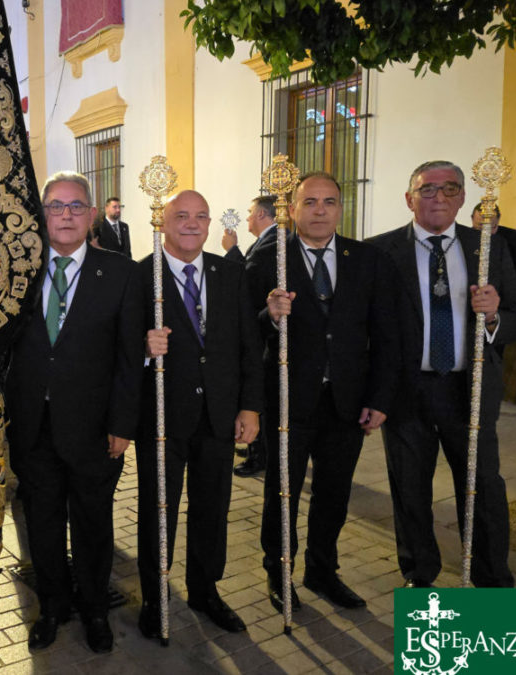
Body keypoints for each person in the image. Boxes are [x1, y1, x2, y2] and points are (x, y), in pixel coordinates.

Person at [368, 160, 516, 588]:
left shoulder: (490, 250)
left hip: (469, 390)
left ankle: (492, 579)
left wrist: (494, 315)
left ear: (461, 198)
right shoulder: (380, 252)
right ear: (409, 199)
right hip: (407, 393)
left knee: (483, 490)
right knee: (409, 488)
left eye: (449, 189)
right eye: (427, 189)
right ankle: (419, 573)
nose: (438, 197)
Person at [247, 172, 398, 612]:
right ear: (291, 210)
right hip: (289, 400)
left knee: (334, 492)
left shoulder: (366, 260)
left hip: (347, 402)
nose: (319, 210)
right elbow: (247, 337)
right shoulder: (268, 261)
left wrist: (379, 399)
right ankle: (278, 572)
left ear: (339, 208)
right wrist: (270, 316)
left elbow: (386, 334)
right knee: (283, 491)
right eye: (309, 202)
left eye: (328, 202)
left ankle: (322, 570)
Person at [5, 171, 143, 654]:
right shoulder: (16, 270)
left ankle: (95, 610)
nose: (65, 215)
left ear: (90, 214)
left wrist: (123, 425)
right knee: (40, 523)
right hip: (31, 426)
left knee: (92, 524)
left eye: (75, 206)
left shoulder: (122, 274)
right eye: (55, 206)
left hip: (94, 430)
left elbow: (130, 358)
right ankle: (53, 605)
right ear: (41, 214)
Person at [137, 190, 263, 637]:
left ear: (210, 224)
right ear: (164, 221)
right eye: (181, 215)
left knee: (213, 507)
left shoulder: (229, 274)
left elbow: (249, 344)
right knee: (159, 509)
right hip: (163, 418)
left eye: (200, 216)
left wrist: (250, 405)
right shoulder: (140, 278)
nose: (192, 223)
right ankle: (155, 597)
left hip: (219, 414)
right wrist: (144, 350)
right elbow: (118, 349)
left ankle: (205, 589)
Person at [223, 195, 278, 478]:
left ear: (260, 214)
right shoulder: (268, 241)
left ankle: (261, 455)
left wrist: (232, 251)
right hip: (263, 326)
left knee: (262, 398)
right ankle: (257, 445)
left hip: (265, 331)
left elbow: (246, 280)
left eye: (249, 213)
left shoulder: (273, 244)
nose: (246, 219)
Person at [471, 202, 516, 280]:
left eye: (491, 227)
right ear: (472, 219)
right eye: (480, 226)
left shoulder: (513, 236)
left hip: (505, 289)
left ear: (498, 219)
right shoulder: (464, 236)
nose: (485, 232)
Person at [223, 194, 277, 264]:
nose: (247, 219)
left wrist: (231, 249)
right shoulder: (264, 239)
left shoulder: (275, 239)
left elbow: (249, 273)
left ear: (261, 214)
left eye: (250, 212)